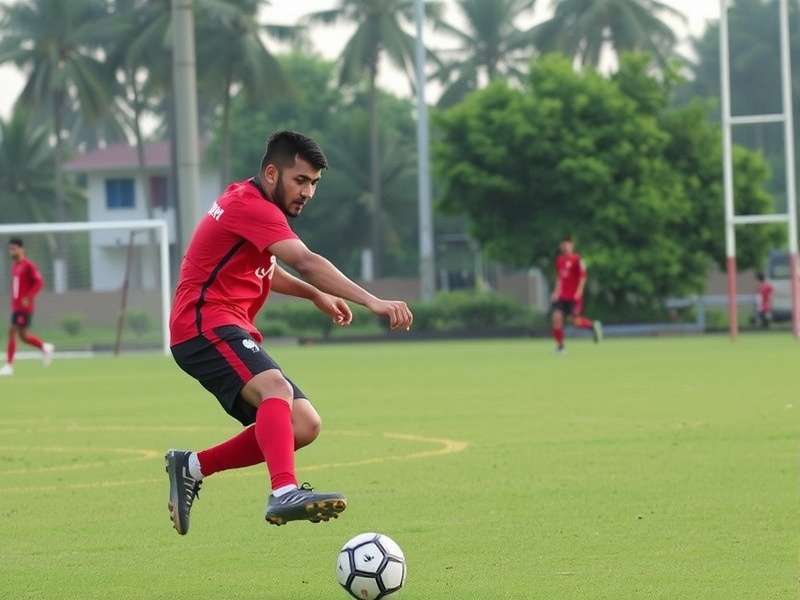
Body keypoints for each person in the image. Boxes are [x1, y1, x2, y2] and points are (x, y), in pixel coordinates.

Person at [165, 131, 413, 535]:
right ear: (271, 173)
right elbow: (306, 260)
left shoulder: (250, 203)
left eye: (314, 183)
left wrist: (315, 295)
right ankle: (284, 491)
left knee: (304, 424)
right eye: (300, 180)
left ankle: (192, 466)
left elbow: (267, 267)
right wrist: (374, 302)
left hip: (223, 324)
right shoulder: (252, 206)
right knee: (275, 389)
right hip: (202, 324)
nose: (308, 192)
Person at [0, 238, 54, 377]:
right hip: (16, 306)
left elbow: (39, 282)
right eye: (10, 249)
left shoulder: (28, 265)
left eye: (14, 248)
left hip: (24, 307)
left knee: (12, 331)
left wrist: (28, 297)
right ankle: (44, 347)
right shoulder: (15, 266)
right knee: (23, 336)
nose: (11, 251)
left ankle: (9, 366)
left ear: (21, 249)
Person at [550, 236, 602, 353]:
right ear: (560, 246)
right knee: (556, 318)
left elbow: (583, 277)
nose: (565, 247)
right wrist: (555, 292)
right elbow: (559, 278)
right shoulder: (559, 260)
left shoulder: (577, 259)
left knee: (575, 322)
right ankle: (560, 346)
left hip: (573, 297)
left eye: (567, 244)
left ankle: (592, 326)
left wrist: (579, 292)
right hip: (561, 296)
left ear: (572, 245)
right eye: (563, 244)